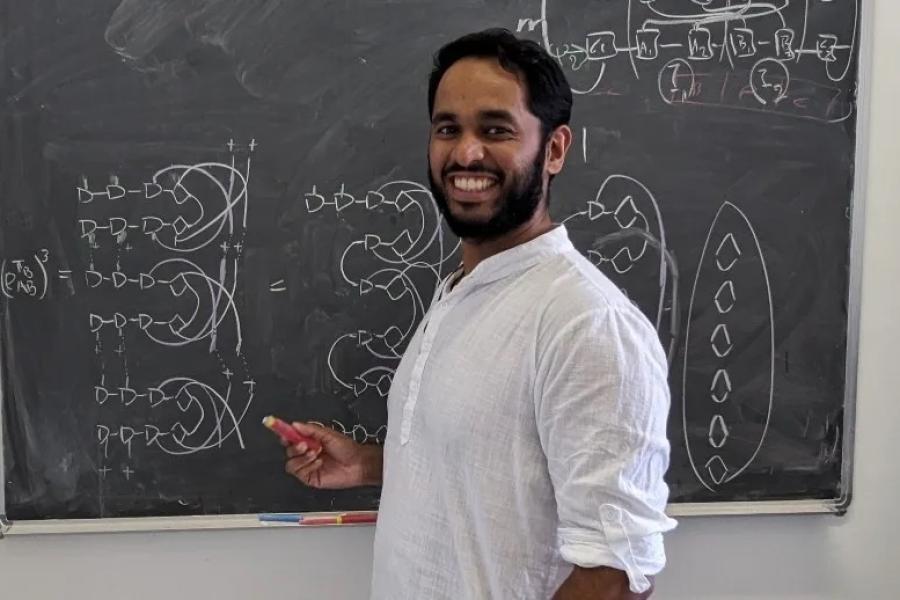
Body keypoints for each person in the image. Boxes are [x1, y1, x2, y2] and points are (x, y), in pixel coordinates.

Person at [284, 28, 677, 599]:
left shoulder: (584, 323)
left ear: (556, 149)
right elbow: (497, 469)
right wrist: (370, 465)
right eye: (449, 128)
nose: (466, 153)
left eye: (495, 130)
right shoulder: (464, 291)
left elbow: (616, 571)